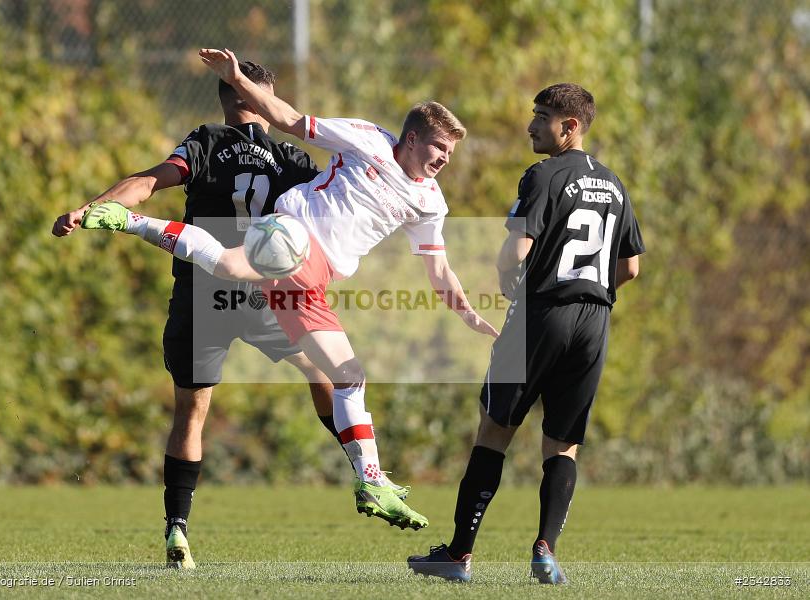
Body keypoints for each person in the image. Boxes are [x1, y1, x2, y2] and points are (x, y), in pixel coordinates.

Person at [78, 47, 499, 533]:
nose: (445, 158)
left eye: (450, 152)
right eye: (439, 148)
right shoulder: (369, 140)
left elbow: (439, 267)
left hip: (316, 279)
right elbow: (290, 119)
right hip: (294, 234)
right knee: (237, 272)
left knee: (346, 373)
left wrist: (466, 311)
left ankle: (371, 482)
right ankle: (372, 478)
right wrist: (238, 77)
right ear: (411, 138)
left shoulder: (431, 202)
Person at [52, 61, 403, 569]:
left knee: (191, 413)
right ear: (264, 97)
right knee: (326, 374)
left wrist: (89, 209)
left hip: (202, 291)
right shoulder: (290, 156)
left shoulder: (206, 143)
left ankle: (177, 530)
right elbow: (334, 214)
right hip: (267, 293)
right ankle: (365, 471)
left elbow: (148, 183)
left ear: (225, 98)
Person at [408, 83, 645, 584]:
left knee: (494, 430)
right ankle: (545, 550)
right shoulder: (615, 184)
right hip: (594, 322)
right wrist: (593, 292)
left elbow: (515, 253)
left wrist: (514, 289)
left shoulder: (544, 175)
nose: (532, 125)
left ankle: (458, 555)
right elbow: (632, 267)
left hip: (541, 313)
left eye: (542, 117)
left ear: (570, 126)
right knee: (562, 445)